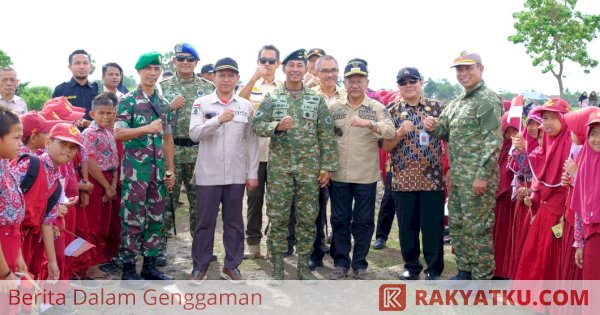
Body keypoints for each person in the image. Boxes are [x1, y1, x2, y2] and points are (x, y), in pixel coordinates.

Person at [252, 48, 337, 284]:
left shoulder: (316, 99)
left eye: (300, 65)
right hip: (280, 170)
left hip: (309, 171)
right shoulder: (272, 98)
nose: (296, 70)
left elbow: (326, 136)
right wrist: (276, 126)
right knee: (278, 217)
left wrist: (326, 168)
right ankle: (278, 268)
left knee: (307, 218)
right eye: (292, 65)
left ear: (305, 69)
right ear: (284, 68)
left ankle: (303, 267)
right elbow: (257, 125)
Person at [423, 51, 503, 280]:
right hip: (458, 177)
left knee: (478, 229)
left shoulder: (486, 99)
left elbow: (493, 140)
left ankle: (482, 278)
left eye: (469, 68)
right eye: (459, 69)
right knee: (458, 225)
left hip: (477, 177)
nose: (463, 73)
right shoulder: (458, 101)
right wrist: (432, 126)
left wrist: (483, 176)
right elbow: (444, 131)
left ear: (481, 69)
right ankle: (465, 270)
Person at [189, 57, 259, 283]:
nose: (226, 79)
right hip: (208, 174)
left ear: (237, 78)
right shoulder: (202, 103)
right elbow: (194, 134)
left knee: (234, 222)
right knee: (205, 222)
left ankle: (232, 266)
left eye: (231, 75)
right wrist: (217, 120)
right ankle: (199, 266)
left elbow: (251, 142)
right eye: (222, 75)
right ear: (214, 77)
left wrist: (252, 173)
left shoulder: (245, 106)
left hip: (236, 175)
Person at [328, 59, 395, 280]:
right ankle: (340, 262)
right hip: (339, 175)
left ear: (367, 82)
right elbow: (325, 138)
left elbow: (390, 132)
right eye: (350, 80)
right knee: (339, 219)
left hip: (366, 176)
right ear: (344, 82)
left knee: (364, 221)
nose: (355, 84)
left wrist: (370, 124)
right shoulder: (334, 108)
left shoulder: (376, 108)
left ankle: (360, 264)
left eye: (359, 80)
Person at [114, 51, 176, 286]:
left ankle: (149, 266)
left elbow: (168, 137)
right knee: (132, 219)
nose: (152, 73)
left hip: (158, 173)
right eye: (148, 69)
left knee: (156, 219)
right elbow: (118, 133)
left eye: (156, 69)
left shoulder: (162, 103)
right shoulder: (128, 100)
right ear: (139, 72)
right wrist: (145, 129)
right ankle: (129, 270)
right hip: (135, 173)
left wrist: (170, 170)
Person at [383, 67, 446, 281]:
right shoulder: (391, 110)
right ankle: (411, 266)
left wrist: (437, 128)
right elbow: (386, 146)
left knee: (432, 227)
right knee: (407, 227)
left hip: (433, 178)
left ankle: (434, 269)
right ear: (398, 86)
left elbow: (450, 139)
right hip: (403, 179)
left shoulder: (438, 108)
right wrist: (400, 132)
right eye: (403, 82)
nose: (408, 85)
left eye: (412, 80)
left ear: (421, 82)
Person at [158, 43, 215, 266]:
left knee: (200, 203)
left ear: (196, 63)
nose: (185, 63)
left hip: (199, 151)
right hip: (171, 151)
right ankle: (159, 247)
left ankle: (201, 248)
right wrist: (168, 108)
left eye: (190, 60)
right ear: (174, 61)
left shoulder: (208, 87)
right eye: (180, 59)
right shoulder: (162, 87)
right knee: (166, 201)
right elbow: (152, 116)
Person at [513, 99, 571, 280]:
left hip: (563, 208)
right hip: (544, 206)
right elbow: (529, 171)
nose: (547, 123)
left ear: (564, 119)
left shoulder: (572, 145)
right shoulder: (545, 143)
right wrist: (521, 151)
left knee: (554, 253)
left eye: (553, 118)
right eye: (544, 118)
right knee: (538, 251)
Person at [238, 45, 282, 260]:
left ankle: (274, 244)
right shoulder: (251, 85)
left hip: (278, 154)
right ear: (257, 62)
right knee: (254, 201)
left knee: (277, 202)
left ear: (278, 64)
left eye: (271, 61)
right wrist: (254, 78)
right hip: (254, 154)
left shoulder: (283, 87)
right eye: (263, 60)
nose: (266, 64)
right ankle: (253, 244)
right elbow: (238, 102)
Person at [304, 54, 346, 270]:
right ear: (315, 73)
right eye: (324, 71)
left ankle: (339, 251)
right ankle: (316, 251)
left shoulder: (348, 95)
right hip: (314, 163)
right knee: (315, 212)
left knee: (339, 213)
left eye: (333, 70)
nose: (329, 75)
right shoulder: (308, 96)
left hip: (343, 163)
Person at [81, 93, 119, 281]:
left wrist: (112, 185)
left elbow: (114, 161)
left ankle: (97, 262)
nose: (105, 116)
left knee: (104, 225)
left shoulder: (110, 133)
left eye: (109, 113)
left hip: (108, 181)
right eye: (101, 113)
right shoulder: (89, 134)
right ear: (92, 114)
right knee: (93, 226)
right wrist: (106, 186)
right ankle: (89, 267)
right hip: (96, 181)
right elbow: (89, 161)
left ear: (115, 113)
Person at [507, 109, 542, 278]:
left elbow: (543, 174)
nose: (534, 128)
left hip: (539, 200)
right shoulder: (521, 143)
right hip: (524, 200)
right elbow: (518, 173)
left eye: (538, 123)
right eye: (530, 124)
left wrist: (532, 190)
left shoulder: (548, 146)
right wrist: (519, 189)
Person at [493, 111, 521, 279]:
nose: (511, 136)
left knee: (510, 238)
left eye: (515, 132)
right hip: (496, 200)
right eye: (507, 132)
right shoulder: (498, 150)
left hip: (514, 201)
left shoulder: (521, 150)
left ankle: (508, 271)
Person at [0, 106, 26, 289]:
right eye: (16, 138)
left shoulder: (6, 164)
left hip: (10, 244)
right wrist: (4, 272)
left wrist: (18, 256)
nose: (21, 144)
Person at [573, 111, 600, 279]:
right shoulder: (584, 167)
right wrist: (579, 244)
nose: (597, 139)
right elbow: (579, 211)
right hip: (592, 238)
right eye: (593, 134)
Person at [52, 49, 99, 123]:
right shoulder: (60, 90)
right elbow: (53, 116)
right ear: (70, 67)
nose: (82, 67)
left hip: (95, 133)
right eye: (77, 63)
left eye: (85, 63)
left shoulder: (97, 89)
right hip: (69, 133)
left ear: (90, 66)